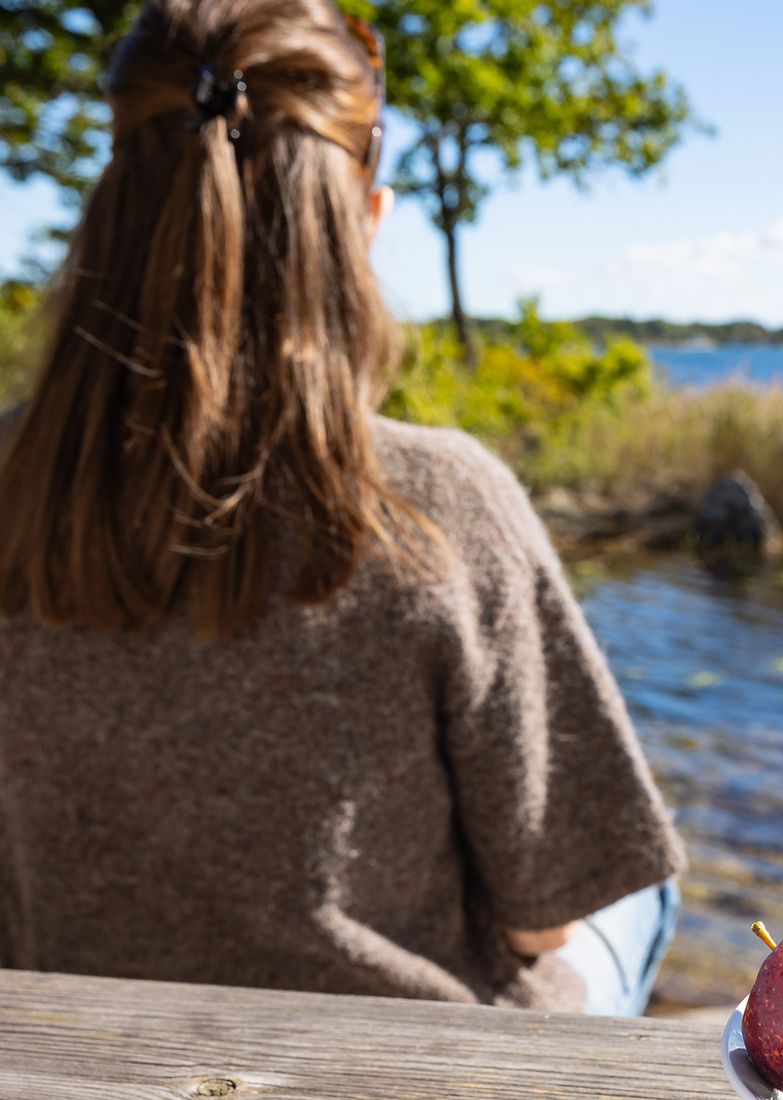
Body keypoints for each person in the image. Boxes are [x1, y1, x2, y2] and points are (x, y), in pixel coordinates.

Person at [0, 0, 684, 1016]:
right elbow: (548, 911)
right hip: (417, 1065)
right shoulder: (446, 501)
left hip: (68, 1041)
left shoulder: (13, 477)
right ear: (366, 216)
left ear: (116, 202)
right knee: (646, 890)